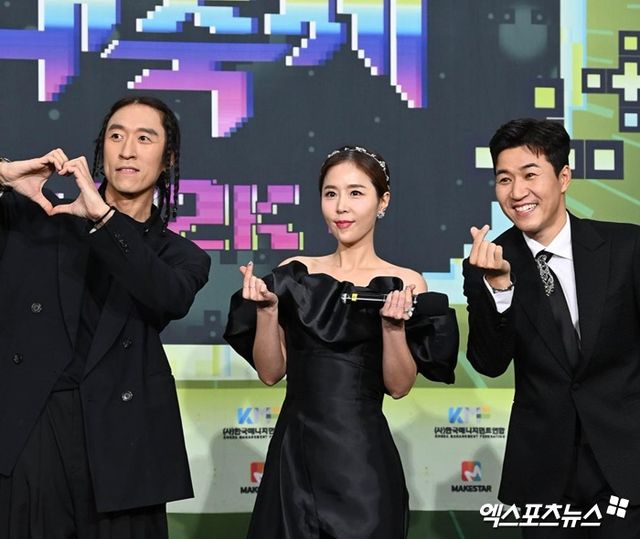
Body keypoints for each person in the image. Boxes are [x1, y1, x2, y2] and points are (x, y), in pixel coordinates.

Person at [0, 96, 211, 538]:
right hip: (34, 433)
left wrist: (103, 217)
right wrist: (2, 174)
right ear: (101, 148)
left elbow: (165, 296)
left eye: (144, 138)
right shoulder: (40, 221)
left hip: (124, 449)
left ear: (168, 158)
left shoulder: (181, 256)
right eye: (116, 136)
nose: (127, 150)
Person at [224, 145, 459, 539]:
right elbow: (270, 373)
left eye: (356, 193)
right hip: (293, 461)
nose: (341, 207)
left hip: (362, 467)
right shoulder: (293, 274)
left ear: (383, 201)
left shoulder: (405, 282)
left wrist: (392, 328)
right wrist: (266, 311)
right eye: (330, 193)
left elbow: (399, 387)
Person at [464, 118, 640, 537]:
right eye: (504, 179)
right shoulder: (488, 262)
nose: (516, 192)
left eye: (530, 175)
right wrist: (500, 289)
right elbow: (488, 363)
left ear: (563, 178)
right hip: (543, 472)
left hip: (625, 463)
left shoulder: (626, 247)